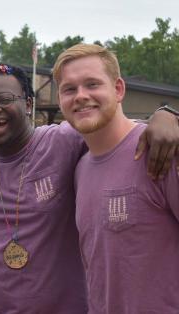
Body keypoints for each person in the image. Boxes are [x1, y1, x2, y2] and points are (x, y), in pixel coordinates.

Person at [0, 63, 179, 313]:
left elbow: (117, 126)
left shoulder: (63, 142)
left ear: (29, 104)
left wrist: (167, 114)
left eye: (5, 99)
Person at [53, 43, 179, 313]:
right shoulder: (80, 168)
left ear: (118, 89)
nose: (81, 96)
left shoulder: (162, 151)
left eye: (92, 84)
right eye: (69, 89)